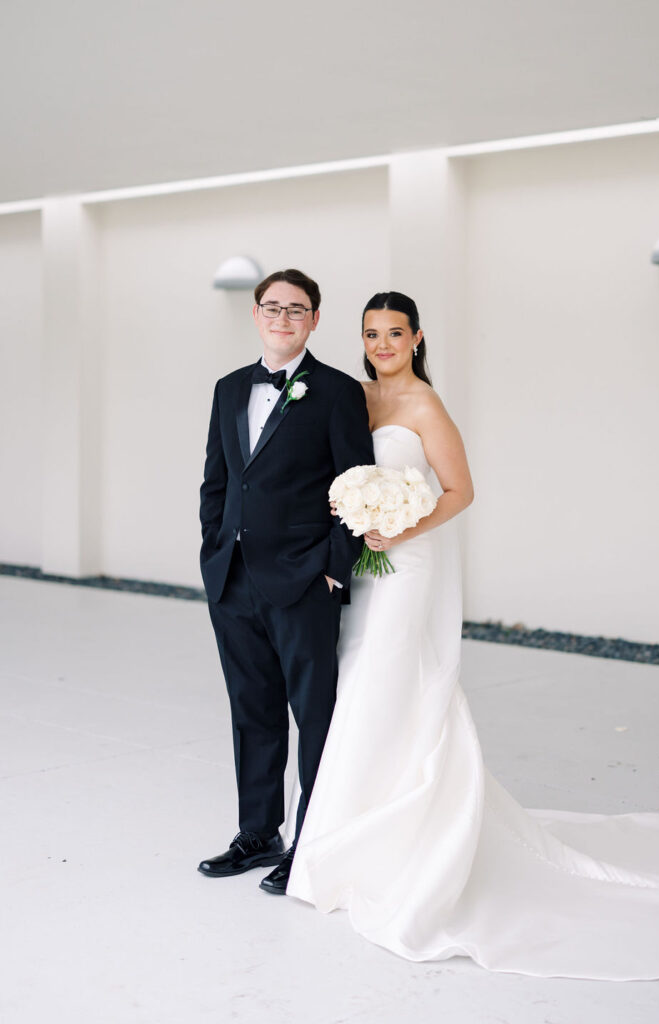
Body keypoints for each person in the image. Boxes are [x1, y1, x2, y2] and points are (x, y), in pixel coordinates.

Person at [286, 290, 659, 980]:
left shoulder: (426, 407)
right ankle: (346, 830)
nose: (381, 344)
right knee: (359, 682)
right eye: (371, 333)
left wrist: (399, 523)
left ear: (416, 337)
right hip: (362, 564)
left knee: (391, 679)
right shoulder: (355, 399)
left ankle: (394, 845)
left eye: (394, 333)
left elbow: (459, 491)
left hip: (407, 562)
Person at [198, 268, 374, 894]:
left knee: (314, 715)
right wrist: (212, 555)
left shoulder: (336, 392)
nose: (283, 318)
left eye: (296, 309)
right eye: (272, 307)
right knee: (252, 711)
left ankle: (312, 841)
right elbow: (217, 482)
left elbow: (357, 485)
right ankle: (257, 833)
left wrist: (331, 569)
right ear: (255, 314)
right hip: (233, 580)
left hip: (304, 580)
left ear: (314, 320)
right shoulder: (226, 389)